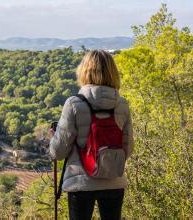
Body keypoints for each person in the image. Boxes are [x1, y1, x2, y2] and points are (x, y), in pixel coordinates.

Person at [49, 50, 133, 220]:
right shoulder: (122, 105)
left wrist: (53, 138)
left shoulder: (74, 103)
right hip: (114, 182)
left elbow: (58, 153)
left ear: (84, 71)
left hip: (81, 183)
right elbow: (128, 149)